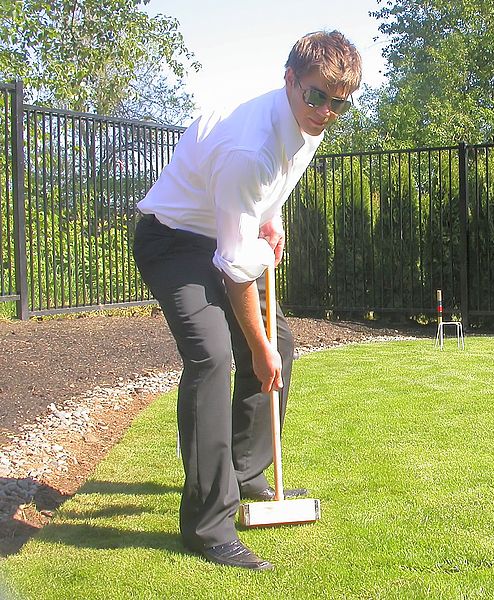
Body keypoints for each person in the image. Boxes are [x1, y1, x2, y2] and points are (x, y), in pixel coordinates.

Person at [132, 30, 362, 571]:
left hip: (224, 228)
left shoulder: (305, 123)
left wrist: (268, 220)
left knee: (281, 338)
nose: (326, 111)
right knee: (216, 357)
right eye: (316, 96)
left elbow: (273, 187)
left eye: (338, 102)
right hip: (174, 240)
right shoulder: (248, 146)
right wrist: (256, 348)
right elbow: (235, 270)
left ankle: (246, 468)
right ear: (290, 80)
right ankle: (209, 526)